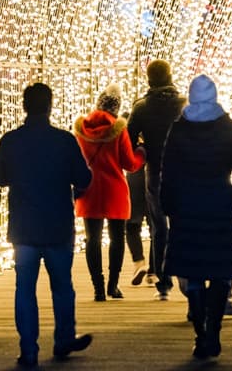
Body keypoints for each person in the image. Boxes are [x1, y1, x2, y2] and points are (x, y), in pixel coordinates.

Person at [0, 83, 95, 368]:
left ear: (24, 106)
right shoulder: (64, 140)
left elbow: (0, 178)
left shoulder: (10, 141)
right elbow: (84, 179)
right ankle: (63, 339)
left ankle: (29, 349)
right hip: (58, 225)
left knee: (24, 288)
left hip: (24, 227)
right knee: (62, 286)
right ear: (50, 106)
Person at [160, 75, 232, 360]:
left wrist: (168, 203)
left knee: (194, 273)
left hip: (187, 207)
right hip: (218, 204)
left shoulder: (179, 129)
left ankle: (200, 334)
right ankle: (214, 331)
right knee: (221, 269)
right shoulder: (228, 127)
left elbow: (168, 170)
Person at [73, 84, 145, 301]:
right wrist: (141, 152)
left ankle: (98, 288)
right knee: (117, 238)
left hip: (89, 190)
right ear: (117, 107)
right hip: (114, 190)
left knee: (92, 239)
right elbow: (130, 164)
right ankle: (113, 286)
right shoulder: (119, 129)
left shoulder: (81, 129)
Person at [126, 59, 185, 301]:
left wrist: (142, 148)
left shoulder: (141, 107)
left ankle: (163, 284)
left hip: (156, 171)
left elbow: (127, 141)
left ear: (149, 78)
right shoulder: (184, 104)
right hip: (184, 172)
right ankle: (189, 278)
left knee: (160, 227)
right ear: (170, 76)